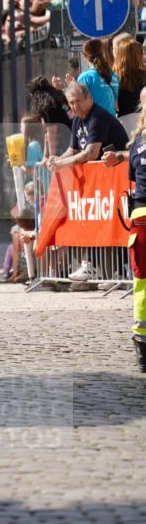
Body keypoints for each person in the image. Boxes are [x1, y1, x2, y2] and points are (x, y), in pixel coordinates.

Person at [102, 86, 146, 371]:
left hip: (140, 219)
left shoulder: (138, 143)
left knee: (142, 283)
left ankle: (142, 345)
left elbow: (133, 178)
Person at [46, 81, 128, 173]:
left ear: (89, 97)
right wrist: (57, 160)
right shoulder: (77, 120)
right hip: (102, 174)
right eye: (71, 103)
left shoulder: (97, 117)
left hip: (118, 173)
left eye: (78, 101)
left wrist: (61, 163)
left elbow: (91, 153)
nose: (75, 106)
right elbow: (73, 150)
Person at [28, 75, 72, 156]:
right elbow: (47, 134)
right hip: (73, 141)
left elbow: (52, 132)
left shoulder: (46, 104)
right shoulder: (59, 97)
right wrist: (45, 156)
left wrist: (52, 157)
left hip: (64, 146)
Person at [77, 38, 119, 115]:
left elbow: (79, 106)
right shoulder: (114, 76)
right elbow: (116, 105)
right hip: (113, 123)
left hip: (95, 123)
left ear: (85, 56)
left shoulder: (85, 77)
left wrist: (72, 86)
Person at [114, 38, 146, 117]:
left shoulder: (114, 76)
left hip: (124, 119)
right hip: (142, 118)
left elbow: (115, 105)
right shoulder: (144, 74)